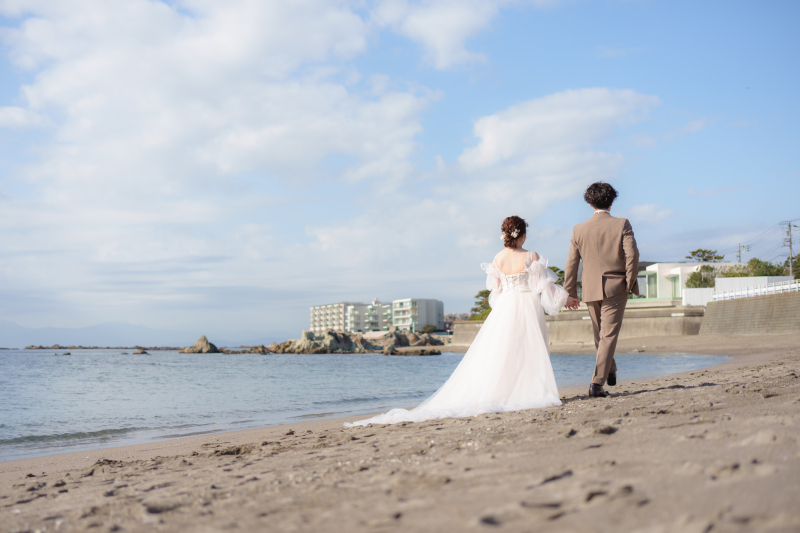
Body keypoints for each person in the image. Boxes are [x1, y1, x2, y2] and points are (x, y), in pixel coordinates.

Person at [346, 216, 568, 427]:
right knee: (528, 347)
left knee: (502, 351)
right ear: (522, 235)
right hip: (526, 304)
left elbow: (497, 290)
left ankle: (509, 391)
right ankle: (528, 391)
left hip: (505, 307)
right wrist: (563, 299)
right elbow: (542, 286)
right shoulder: (531, 256)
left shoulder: (497, 259)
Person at [563, 182, 639, 398]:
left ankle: (608, 371)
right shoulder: (622, 224)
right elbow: (632, 254)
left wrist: (570, 291)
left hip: (589, 288)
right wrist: (629, 281)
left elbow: (571, 263)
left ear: (589, 203)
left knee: (601, 336)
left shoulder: (579, 229)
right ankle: (597, 384)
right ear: (612, 202)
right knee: (606, 336)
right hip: (616, 286)